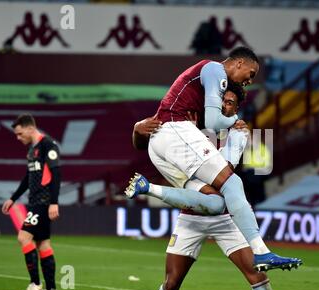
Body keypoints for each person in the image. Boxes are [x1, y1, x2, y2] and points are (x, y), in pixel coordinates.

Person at [127, 46, 302, 272]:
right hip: (171, 133)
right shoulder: (214, 69)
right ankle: (261, 252)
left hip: (164, 147)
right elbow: (211, 122)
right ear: (239, 63)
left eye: (230, 103)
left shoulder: (202, 114)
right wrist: (136, 128)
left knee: (216, 203)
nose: (249, 80)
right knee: (233, 183)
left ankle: (147, 187)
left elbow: (160, 138)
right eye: (251, 74)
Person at [133, 84, 275, 290]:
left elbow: (223, 174)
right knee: (171, 284)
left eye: (230, 103)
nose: (224, 106)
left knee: (258, 278)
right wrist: (137, 130)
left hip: (225, 218)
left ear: (236, 109)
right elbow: (142, 143)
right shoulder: (186, 123)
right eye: (222, 101)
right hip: (191, 217)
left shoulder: (237, 133)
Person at [1, 114, 61, 290]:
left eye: (20, 134)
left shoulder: (47, 145)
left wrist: (54, 202)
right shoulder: (31, 150)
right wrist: (13, 198)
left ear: (29, 128)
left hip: (43, 202)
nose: (19, 138)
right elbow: (29, 177)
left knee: (23, 237)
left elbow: (56, 174)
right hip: (34, 201)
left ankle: (35, 284)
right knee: (43, 243)